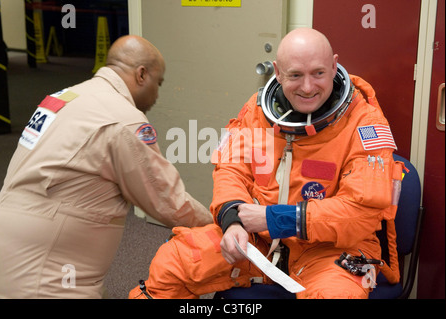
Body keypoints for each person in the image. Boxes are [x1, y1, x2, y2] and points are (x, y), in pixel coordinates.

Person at [129, 28, 404, 299]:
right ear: (278, 71)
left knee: (336, 295)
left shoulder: (365, 122)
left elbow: (361, 212)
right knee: (174, 262)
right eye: (295, 75)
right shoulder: (257, 110)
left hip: (332, 247)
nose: (307, 87)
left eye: (318, 73)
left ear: (334, 66)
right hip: (257, 240)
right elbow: (231, 170)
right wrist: (233, 220)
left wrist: (276, 219)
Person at [0, 35, 212, 298]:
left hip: (9, 241)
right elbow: (169, 201)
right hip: (47, 270)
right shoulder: (124, 120)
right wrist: (220, 223)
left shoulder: (64, 97)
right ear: (141, 74)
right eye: (159, 83)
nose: (157, 94)